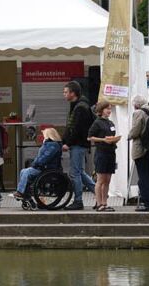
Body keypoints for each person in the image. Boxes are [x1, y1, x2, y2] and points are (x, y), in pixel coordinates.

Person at [62, 81, 96, 210]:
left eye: (66, 92)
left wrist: (68, 143)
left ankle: (78, 201)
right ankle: (99, 195)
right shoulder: (77, 105)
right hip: (79, 144)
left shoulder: (80, 107)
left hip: (78, 144)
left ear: (73, 93)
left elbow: (76, 129)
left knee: (75, 173)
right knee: (80, 172)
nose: (64, 94)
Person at [87, 101, 121, 212]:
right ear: (101, 110)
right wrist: (103, 140)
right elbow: (90, 137)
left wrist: (114, 139)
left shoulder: (111, 123)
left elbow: (112, 135)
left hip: (111, 152)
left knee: (108, 180)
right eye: (107, 109)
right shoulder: (97, 123)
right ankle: (99, 203)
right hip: (101, 152)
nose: (109, 111)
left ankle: (105, 203)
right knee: (100, 179)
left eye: (110, 109)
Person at [13, 128, 63, 201]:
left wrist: (35, 163)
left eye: (44, 135)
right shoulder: (49, 144)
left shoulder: (53, 145)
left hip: (48, 169)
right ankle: (25, 194)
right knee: (23, 171)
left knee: (26, 172)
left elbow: (45, 158)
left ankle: (21, 192)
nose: (43, 136)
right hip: (43, 168)